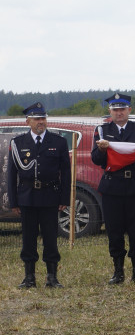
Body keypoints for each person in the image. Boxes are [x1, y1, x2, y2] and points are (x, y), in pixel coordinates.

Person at [91, 93, 135, 284]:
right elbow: (96, 159)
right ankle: (118, 271)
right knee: (114, 230)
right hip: (113, 187)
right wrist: (102, 150)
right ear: (109, 111)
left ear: (129, 110)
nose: (119, 113)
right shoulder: (102, 130)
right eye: (115, 109)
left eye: (122, 109)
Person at [6, 103, 71, 288]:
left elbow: (66, 173)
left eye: (43, 118)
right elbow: (11, 174)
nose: (41, 122)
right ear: (28, 122)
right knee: (28, 238)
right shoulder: (18, 143)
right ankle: (29, 277)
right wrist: (14, 201)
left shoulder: (58, 142)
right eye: (36, 119)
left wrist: (64, 198)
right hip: (27, 197)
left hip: (50, 196)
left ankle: (52, 277)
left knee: (51, 237)